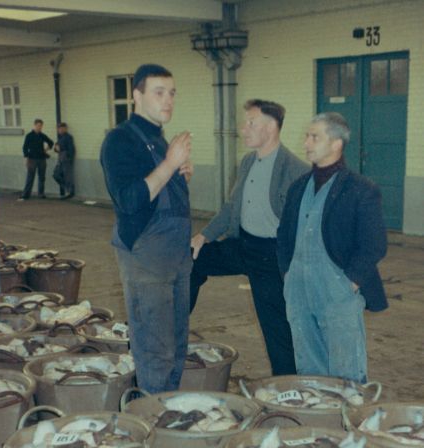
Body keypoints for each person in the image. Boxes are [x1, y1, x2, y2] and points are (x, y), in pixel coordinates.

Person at [190, 99, 308, 375]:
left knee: (276, 328)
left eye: (250, 122)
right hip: (242, 244)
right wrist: (205, 235)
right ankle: (173, 328)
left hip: (272, 255)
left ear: (269, 127)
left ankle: (286, 385)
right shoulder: (247, 162)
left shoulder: (296, 171)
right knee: (192, 257)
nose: (243, 129)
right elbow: (232, 207)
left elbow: (304, 228)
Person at [100, 63, 192, 394]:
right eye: (158, 92)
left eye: (171, 93)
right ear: (137, 95)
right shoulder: (120, 140)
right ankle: (154, 425)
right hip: (146, 256)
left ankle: (167, 415)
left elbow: (157, 191)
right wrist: (169, 164)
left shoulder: (157, 138)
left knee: (177, 345)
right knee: (155, 351)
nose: (168, 100)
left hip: (176, 256)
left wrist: (177, 175)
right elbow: (130, 200)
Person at [277, 112, 388, 383]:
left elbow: (374, 245)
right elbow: (283, 237)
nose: (306, 143)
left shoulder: (361, 190)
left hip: (338, 290)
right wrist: (288, 275)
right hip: (299, 289)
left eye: (314, 136)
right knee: (309, 366)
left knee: (346, 370)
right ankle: (318, 421)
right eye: (307, 136)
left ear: (337, 143)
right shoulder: (298, 187)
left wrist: (348, 283)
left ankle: (349, 421)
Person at [18, 119, 53, 200]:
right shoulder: (29, 136)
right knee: (30, 177)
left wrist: (46, 149)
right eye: (38, 125)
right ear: (34, 125)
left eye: (41, 126)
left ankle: (41, 194)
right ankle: (26, 194)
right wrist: (26, 158)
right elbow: (25, 148)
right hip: (32, 159)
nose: (39, 127)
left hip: (42, 159)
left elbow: (51, 142)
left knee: (42, 177)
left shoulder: (42, 135)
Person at [54, 122, 75, 198]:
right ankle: (67, 189)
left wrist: (69, 158)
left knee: (67, 176)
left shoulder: (68, 137)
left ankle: (70, 192)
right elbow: (56, 148)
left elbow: (71, 149)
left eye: (61, 128)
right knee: (56, 175)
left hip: (66, 159)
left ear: (65, 129)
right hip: (60, 159)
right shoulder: (60, 138)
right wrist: (56, 149)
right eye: (59, 128)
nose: (60, 130)